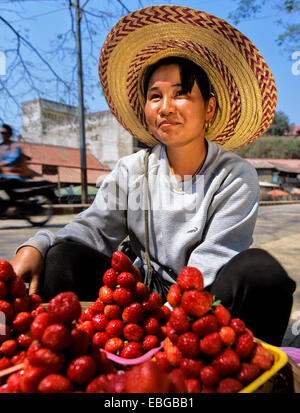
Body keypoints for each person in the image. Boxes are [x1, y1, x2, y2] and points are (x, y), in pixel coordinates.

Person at [10, 6, 295, 346]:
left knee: (261, 274)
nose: (165, 107)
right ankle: (75, 361)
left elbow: (217, 255)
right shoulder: (132, 170)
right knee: (61, 258)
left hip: (204, 306)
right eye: (155, 96)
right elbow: (91, 228)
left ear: (210, 108)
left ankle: (249, 375)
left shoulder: (235, 176)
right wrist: (37, 245)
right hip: (139, 305)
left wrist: (171, 318)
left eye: (181, 94)